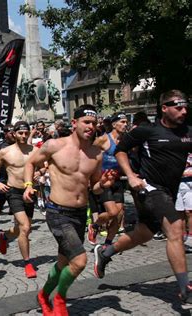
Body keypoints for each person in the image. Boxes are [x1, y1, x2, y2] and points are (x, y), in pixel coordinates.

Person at [94, 90, 192, 308]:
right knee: (176, 229)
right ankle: (185, 288)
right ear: (164, 108)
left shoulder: (188, 132)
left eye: (186, 106)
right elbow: (120, 150)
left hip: (170, 191)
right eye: (178, 106)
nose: (184, 110)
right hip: (148, 187)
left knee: (144, 233)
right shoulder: (147, 130)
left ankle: (105, 252)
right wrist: (130, 175)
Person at [23, 104, 115, 315]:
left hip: (80, 213)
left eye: (94, 123)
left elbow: (95, 186)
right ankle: (60, 299)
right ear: (74, 123)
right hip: (57, 212)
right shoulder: (54, 145)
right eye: (86, 122)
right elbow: (30, 164)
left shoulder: (96, 154)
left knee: (64, 262)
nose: (91, 126)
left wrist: (105, 184)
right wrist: (29, 186)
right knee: (79, 261)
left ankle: (43, 295)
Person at [0, 121, 37, 278]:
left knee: (26, 227)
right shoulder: (5, 152)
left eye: (26, 133)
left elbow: (45, 165)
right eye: (20, 133)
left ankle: (5, 236)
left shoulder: (35, 151)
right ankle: (27, 263)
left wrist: (41, 172)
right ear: (14, 133)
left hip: (30, 191)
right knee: (25, 227)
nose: (23, 136)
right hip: (14, 192)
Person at [88, 112, 128, 245]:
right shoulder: (103, 139)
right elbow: (88, 155)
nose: (125, 125)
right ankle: (94, 226)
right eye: (122, 122)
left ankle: (108, 243)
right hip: (104, 181)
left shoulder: (126, 140)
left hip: (118, 180)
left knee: (119, 214)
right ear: (114, 124)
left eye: (126, 122)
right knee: (112, 212)